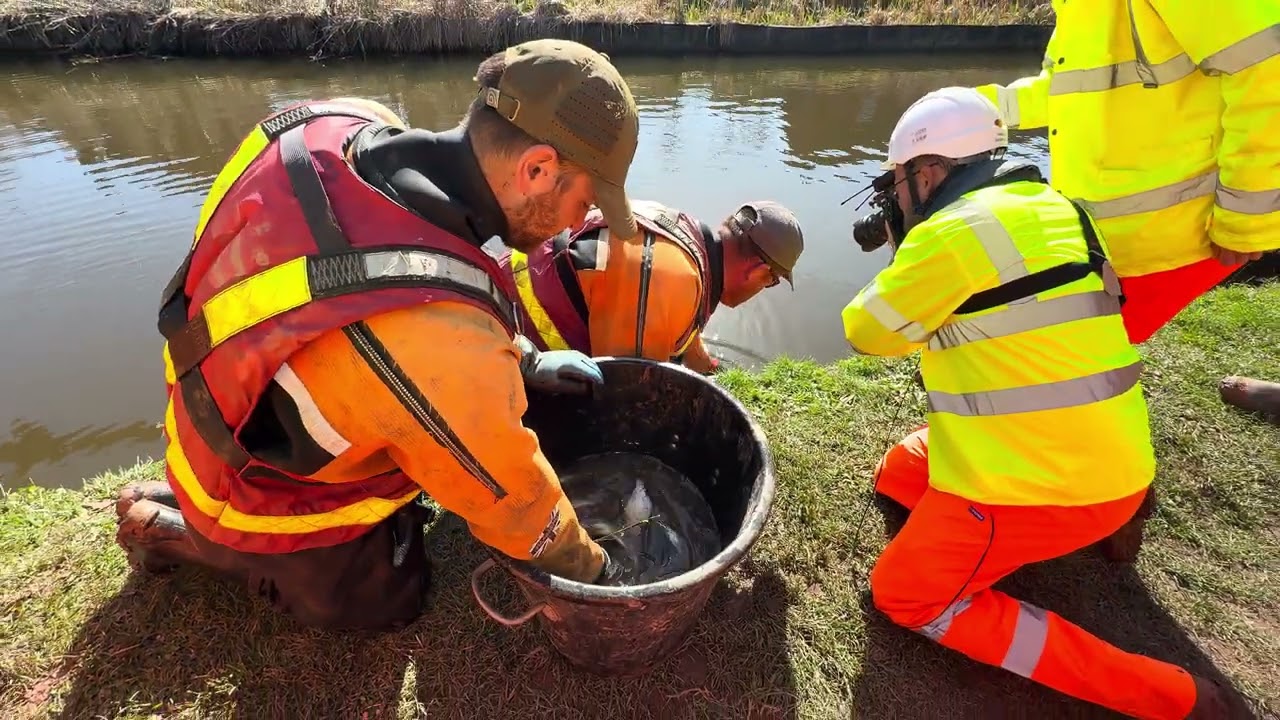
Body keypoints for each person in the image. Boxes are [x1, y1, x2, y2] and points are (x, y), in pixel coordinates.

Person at [114, 39, 642, 632]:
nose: (580, 224)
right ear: (537, 169)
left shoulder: (337, 119)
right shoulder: (438, 342)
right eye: (585, 200)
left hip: (219, 396)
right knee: (391, 598)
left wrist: (520, 358)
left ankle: (192, 506)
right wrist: (597, 573)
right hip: (248, 485)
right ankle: (187, 536)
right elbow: (517, 504)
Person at [841, 87, 1245, 719]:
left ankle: (1174, 698)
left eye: (898, 182)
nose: (896, 196)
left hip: (1030, 481)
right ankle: (1109, 522)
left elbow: (866, 331)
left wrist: (905, 246)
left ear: (927, 171)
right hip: (1118, 461)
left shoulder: (948, 233)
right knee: (898, 472)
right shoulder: (1062, 209)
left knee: (903, 594)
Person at [968, 1, 1280, 420]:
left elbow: (1267, 65)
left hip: (1179, 226)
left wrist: (1248, 217)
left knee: (1055, 353)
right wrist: (971, 111)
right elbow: (1066, 90)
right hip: (1118, 230)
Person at [499, 199, 804, 374]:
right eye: (772, 281)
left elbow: (685, 339)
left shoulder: (685, 239)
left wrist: (711, 372)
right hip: (499, 339)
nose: (766, 286)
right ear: (758, 271)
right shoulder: (675, 279)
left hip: (506, 295)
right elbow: (627, 389)